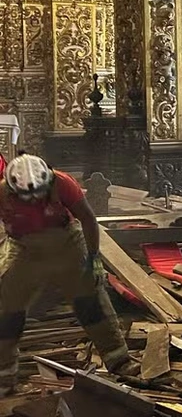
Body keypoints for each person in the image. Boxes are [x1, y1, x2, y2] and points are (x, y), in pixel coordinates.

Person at [0, 154, 134, 395]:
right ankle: (4, 375)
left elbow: (89, 220)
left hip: (66, 243)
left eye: (37, 195)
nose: (32, 201)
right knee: (7, 308)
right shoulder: (2, 192)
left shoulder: (63, 183)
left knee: (89, 300)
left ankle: (119, 360)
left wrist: (93, 259)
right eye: (25, 197)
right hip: (24, 247)